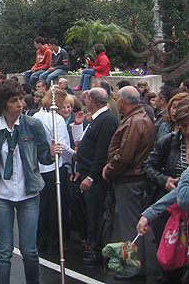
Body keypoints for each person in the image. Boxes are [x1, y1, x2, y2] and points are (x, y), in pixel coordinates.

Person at [0, 79, 63, 284]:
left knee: (29, 250)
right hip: (1, 195)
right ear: (4, 104)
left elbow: (44, 158)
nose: (20, 104)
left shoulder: (33, 125)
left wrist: (51, 153)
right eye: (14, 101)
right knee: (4, 251)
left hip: (29, 193)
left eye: (21, 99)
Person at [142, 96, 189, 282]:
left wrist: (188, 175)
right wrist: (164, 180)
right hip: (172, 213)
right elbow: (148, 166)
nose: (188, 131)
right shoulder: (169, 141)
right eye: (184, 126)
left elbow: (185, 197)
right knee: (171, 265)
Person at [102, 86, 154, 280]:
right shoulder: (140, 118)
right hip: (133, 177)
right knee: (131, 223)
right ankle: (133, 265)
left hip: (130, 178)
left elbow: (125, 155)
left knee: (130, 224)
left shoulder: (135, 122)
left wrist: (109, 168)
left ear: (123, 101)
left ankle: (133, 267)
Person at [73, 87, 119, 265]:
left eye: (86, 98)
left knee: (96, 214)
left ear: (91, 100)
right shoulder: (97, 119)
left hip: (95, 178)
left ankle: (97, 249)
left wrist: (91, 177)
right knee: (90, 213)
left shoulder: (106, 121)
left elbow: (101, 153)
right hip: (86, 172)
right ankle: (92, 245)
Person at [32, 88, 74, 254]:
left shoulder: (36, 117)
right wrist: (74, 156)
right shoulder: (56, 119)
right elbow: (62, 146)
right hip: (54, 166)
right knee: (56, 206)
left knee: (41, 206)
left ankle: (40, 239)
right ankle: (55, 241)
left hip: (39, 166)